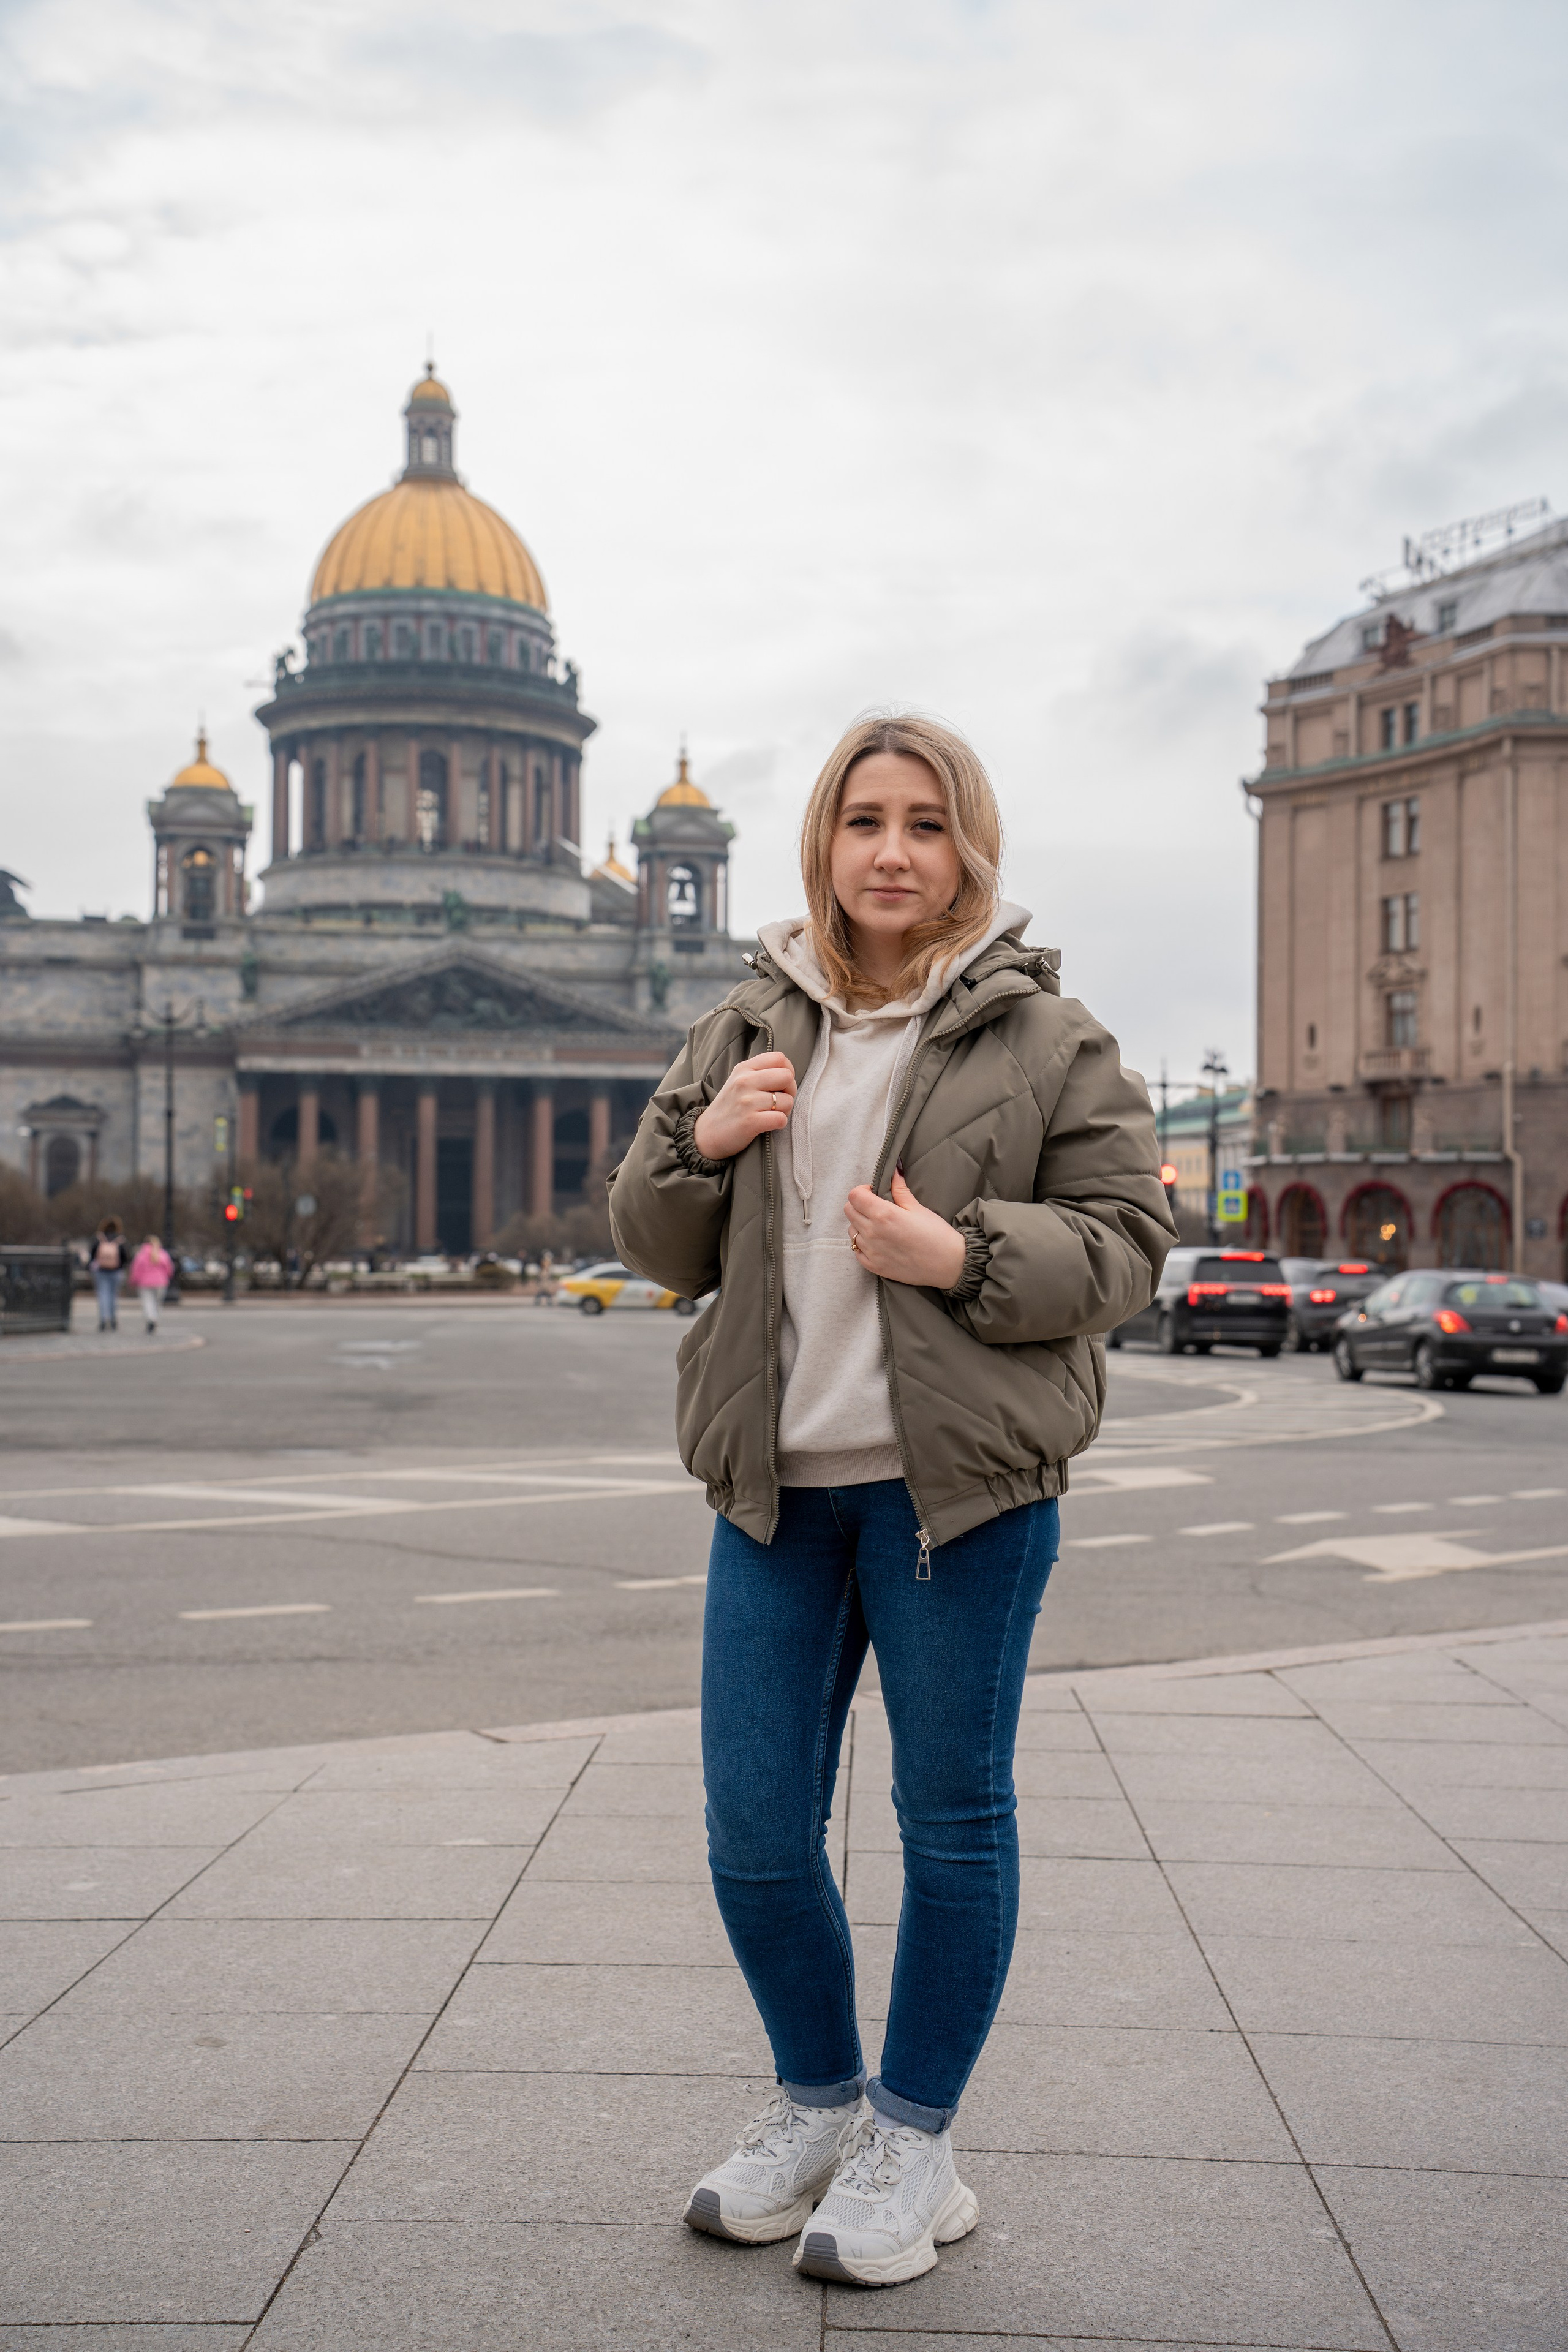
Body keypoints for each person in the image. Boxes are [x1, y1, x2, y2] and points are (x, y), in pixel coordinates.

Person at [609, 713, 1175, 2289]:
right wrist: (700, 1141)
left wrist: (965, 1254)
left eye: (925, 823)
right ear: (822, 841)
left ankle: (913, 2141)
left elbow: (1125, 1244)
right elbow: (653, 1239)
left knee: (949, 1823)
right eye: (863, 819)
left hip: (959, 1500)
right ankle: (817, 2104)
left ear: (965, 847)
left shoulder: (1046, 1037)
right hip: (770, 1492)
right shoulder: (741, 1024)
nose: (890, 850)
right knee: (751, 1830)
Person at [128, 1234, 174, 1334]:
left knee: (147, 1302)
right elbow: (169, 1268)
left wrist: (133, 1281)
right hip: (161, 1282)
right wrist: (168, 1277)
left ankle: (150, 1319)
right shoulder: (162, 1254)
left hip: (144, 1283)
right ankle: (155, 1319)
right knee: (157, 1303)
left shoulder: (141, 1255)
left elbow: (136, 1270)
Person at [91, 1217, 127, 1332]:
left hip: (101, 1271)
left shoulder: (99, 1238)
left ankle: (103, 1318)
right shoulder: (120, 1239)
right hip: (116, 1271)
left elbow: (92, 1254)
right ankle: (112, 1319)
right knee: (113, 1296)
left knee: (103, 1295)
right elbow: (125, 1256)